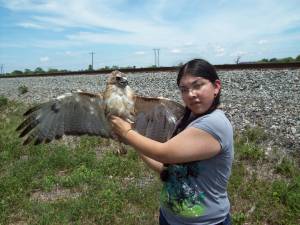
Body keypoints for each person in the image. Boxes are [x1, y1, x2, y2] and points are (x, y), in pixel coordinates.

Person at [110, 58, 234, 225]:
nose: (191, 94)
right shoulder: (188, 120)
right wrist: (133, 141)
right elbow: (167, 169)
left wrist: (127, 132)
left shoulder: (215, 123)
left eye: (198, 85)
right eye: (184, 89)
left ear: (216, 87)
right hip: (169, 218)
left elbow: (164, 154)